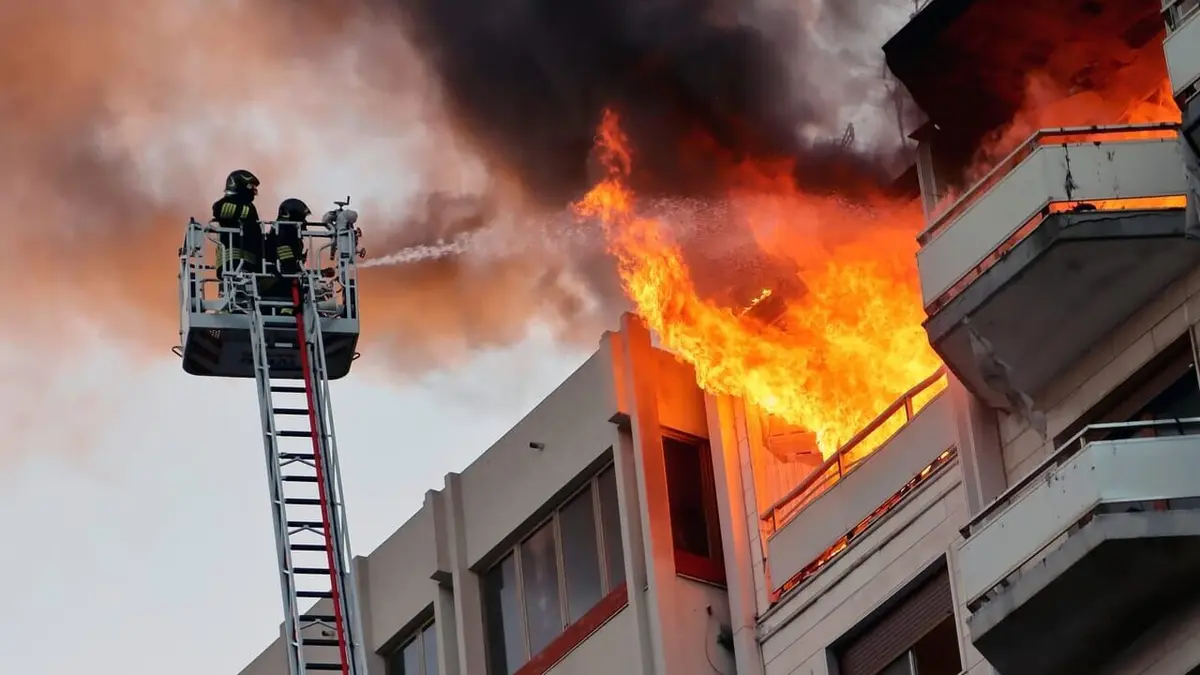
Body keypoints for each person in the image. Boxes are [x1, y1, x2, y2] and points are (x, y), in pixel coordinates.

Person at [211, 169, 263, 279]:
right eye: (250, 187)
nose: (253, 191)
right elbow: (218, 210)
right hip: (232, 263)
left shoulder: (250, 207)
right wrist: (247, 214)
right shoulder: (223, 204)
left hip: (249, 262)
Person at [264, 198, 312, 316]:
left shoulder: (283, 232)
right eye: (302, 219)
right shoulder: (283, 235)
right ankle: (287, 311)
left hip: (278, 280)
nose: (304, 223)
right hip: (276, 283)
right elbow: (288, 266)